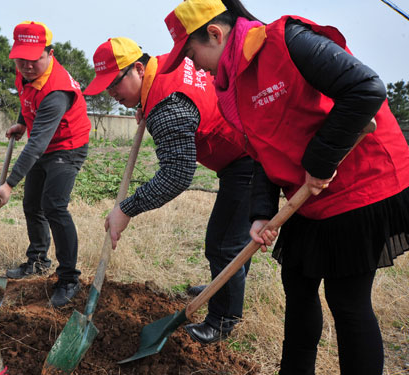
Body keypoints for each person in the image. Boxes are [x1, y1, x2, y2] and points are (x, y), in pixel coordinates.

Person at [161, 0, 409, 373]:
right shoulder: (230, 85)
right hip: (305, 192)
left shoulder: (288, 40)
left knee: (347, 301)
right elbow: (261, 149)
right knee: (298, 288)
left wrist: (320, 162)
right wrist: (261, 212)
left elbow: (365, 89)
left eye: (190, 52)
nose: (192, 64)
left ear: (214, 33)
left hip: (361, 179)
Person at [83, 37, 253, 344]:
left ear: (137, 68)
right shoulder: (163, 65)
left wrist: (126, 208)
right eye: (105, 88)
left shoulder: (166, 105)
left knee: (223, 243)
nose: (111, 94)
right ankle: (224, 284)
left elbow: (177, 175)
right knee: (231, 237)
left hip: (248, 156)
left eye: (114, 85)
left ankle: (222, 319)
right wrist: (145, 104)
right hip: (241, 146)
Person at [0, 21, 91, 308]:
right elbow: (26, 100)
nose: (26, 65)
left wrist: (9, 183)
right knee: (32, 204)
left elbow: (37, 145)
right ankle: (37, 261)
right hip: (44, 142)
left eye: (33, 59)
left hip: (67, 146)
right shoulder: (25, 73)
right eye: (20, 58)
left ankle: (69, 278)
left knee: (54, 206)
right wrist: (22, 122)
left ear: (50, 52)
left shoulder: (57, 90)